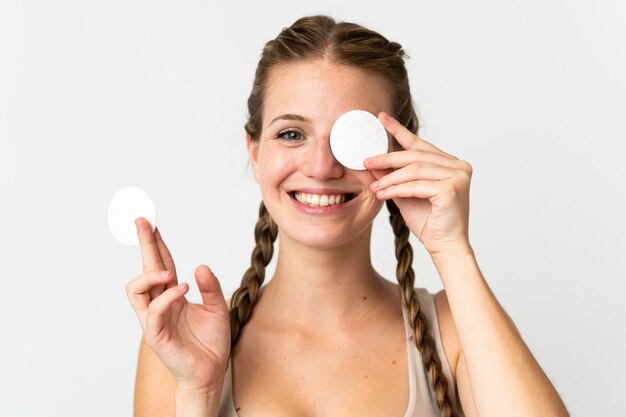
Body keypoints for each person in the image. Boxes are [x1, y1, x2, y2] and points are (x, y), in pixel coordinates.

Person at [125, 15, 569, 417]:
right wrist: (196, 395)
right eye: (292, 134)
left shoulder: (451, 331)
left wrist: (453, 250)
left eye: (352, 138)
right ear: (255, 152)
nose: (321, 167)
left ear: (400, 154)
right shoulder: (182, 343)